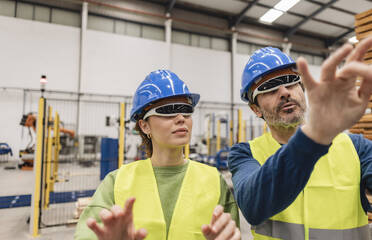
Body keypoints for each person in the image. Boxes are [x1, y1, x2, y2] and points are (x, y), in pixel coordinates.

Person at [228, 37, 372, 240]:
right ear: (255, 109)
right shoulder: (244, 154)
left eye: (290, 82)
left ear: (302, 89)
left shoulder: (356, 147)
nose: (284, 92)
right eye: (269, 88)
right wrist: (314, 135)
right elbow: (253, 206)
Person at [74, 69, 240, 240]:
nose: (181, 117)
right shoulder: (117, 182)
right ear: (144, 126)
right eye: (168, 110)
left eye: (186, 109)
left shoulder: (214, 180)